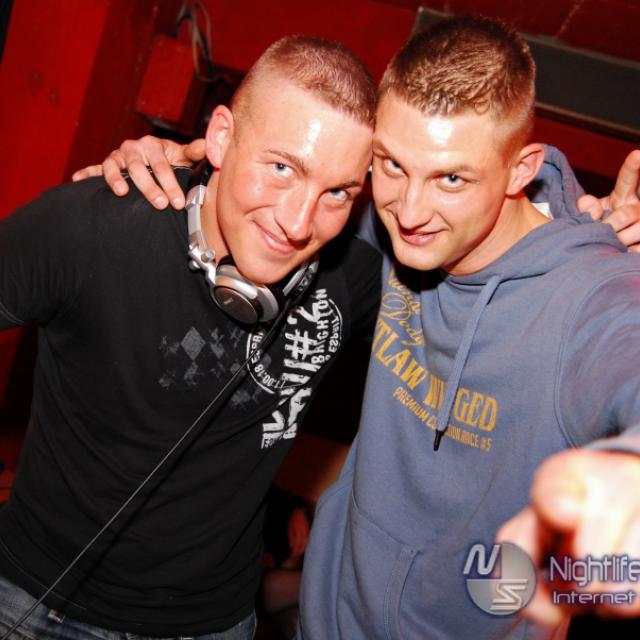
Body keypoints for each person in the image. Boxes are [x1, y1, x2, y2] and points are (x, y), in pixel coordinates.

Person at [72, 19, 640, 639]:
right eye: (391, 165)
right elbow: (272, 192)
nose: (410, 211)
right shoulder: (377, 232)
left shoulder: (593, 296)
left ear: (520, 169)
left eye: (451, 178)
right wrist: (173, 163)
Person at [0, 36, 381, 640]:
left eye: (338, 192)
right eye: (282, 168)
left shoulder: (352, 278)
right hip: (30, 603)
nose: (299, 222)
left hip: (211, 625)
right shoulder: (91, 228)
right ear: (222, 138)